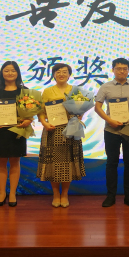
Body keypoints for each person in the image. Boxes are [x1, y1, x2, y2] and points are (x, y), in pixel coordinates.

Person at [94, 58, 129, 208]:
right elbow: (97, 107)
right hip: (111, 130)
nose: (122, 71)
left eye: (125, 69)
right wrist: (109, 120)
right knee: (111, 163)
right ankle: (110, 196)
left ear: (128, 70)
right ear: (113, 70)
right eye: (118, 68)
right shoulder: (105, 87)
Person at [37, 63, 86, 208]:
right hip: (52, 130)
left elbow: (82, 108)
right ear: (53, 74)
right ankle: (55, 194)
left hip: (71, 129)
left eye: (64, 72)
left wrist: (80, 115)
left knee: (67, 163)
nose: (61, 74)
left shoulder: (76, 90)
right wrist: (44, 123)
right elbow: (41, 111)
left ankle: (64, 194)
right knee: (53, 163)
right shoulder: (47, 91)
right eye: (58, 72)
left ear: (69, 75)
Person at [0, 61, 33, 207]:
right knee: (1, 162)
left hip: (17, 130)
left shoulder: (24, 90)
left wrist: (28, 120)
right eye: (6, 70)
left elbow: (31, 110)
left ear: (18, 73)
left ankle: (12, 193)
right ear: (2, 73)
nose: (10, 73)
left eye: (13, 70)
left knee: (15, 161)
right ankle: (2, 193)